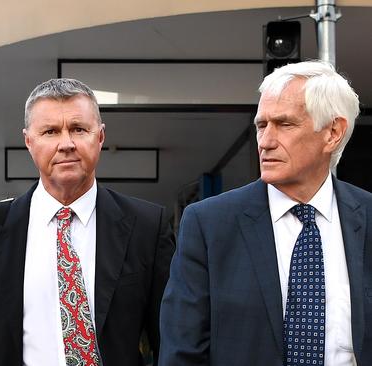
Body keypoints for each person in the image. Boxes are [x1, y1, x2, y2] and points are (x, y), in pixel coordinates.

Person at [0, 78, 174, 365]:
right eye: (50, 131)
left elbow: (172, 342)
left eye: (78, 129)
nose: (66, 144)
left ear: (99, 137)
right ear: (29, 141)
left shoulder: (147, 227)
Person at [159, 60, 371, 365]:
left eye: (285, 124)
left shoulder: (367, 217)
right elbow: (182, 351)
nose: (266, 142)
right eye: (262, 125)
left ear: (333, 133)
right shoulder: (209, 226)